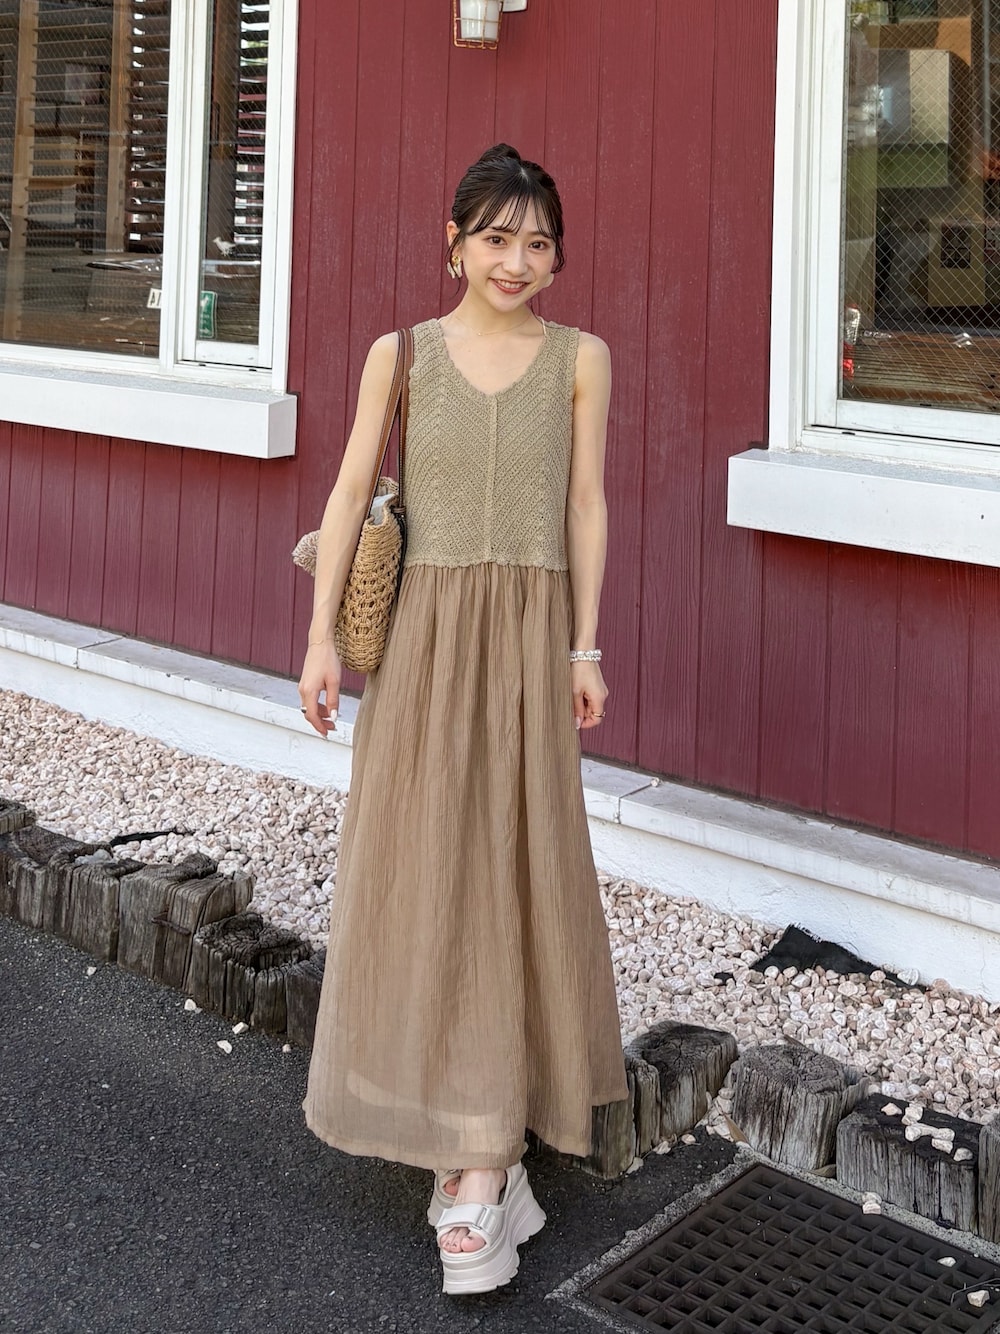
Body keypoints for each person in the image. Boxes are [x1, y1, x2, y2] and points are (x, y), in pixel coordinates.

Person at [298, 143, 627, 1296]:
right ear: (454, 243)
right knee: (422, 863)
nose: (516, 261)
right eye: (495, 238)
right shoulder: (401, 356)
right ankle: (469, 1144)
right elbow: (350, 490)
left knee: (509, 868)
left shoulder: (581, 359)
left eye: (538, 243)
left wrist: (584, 646)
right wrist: (321, 638)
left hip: (530, 645)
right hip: (426, 644)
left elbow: (584, 504)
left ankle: (482, 1159)